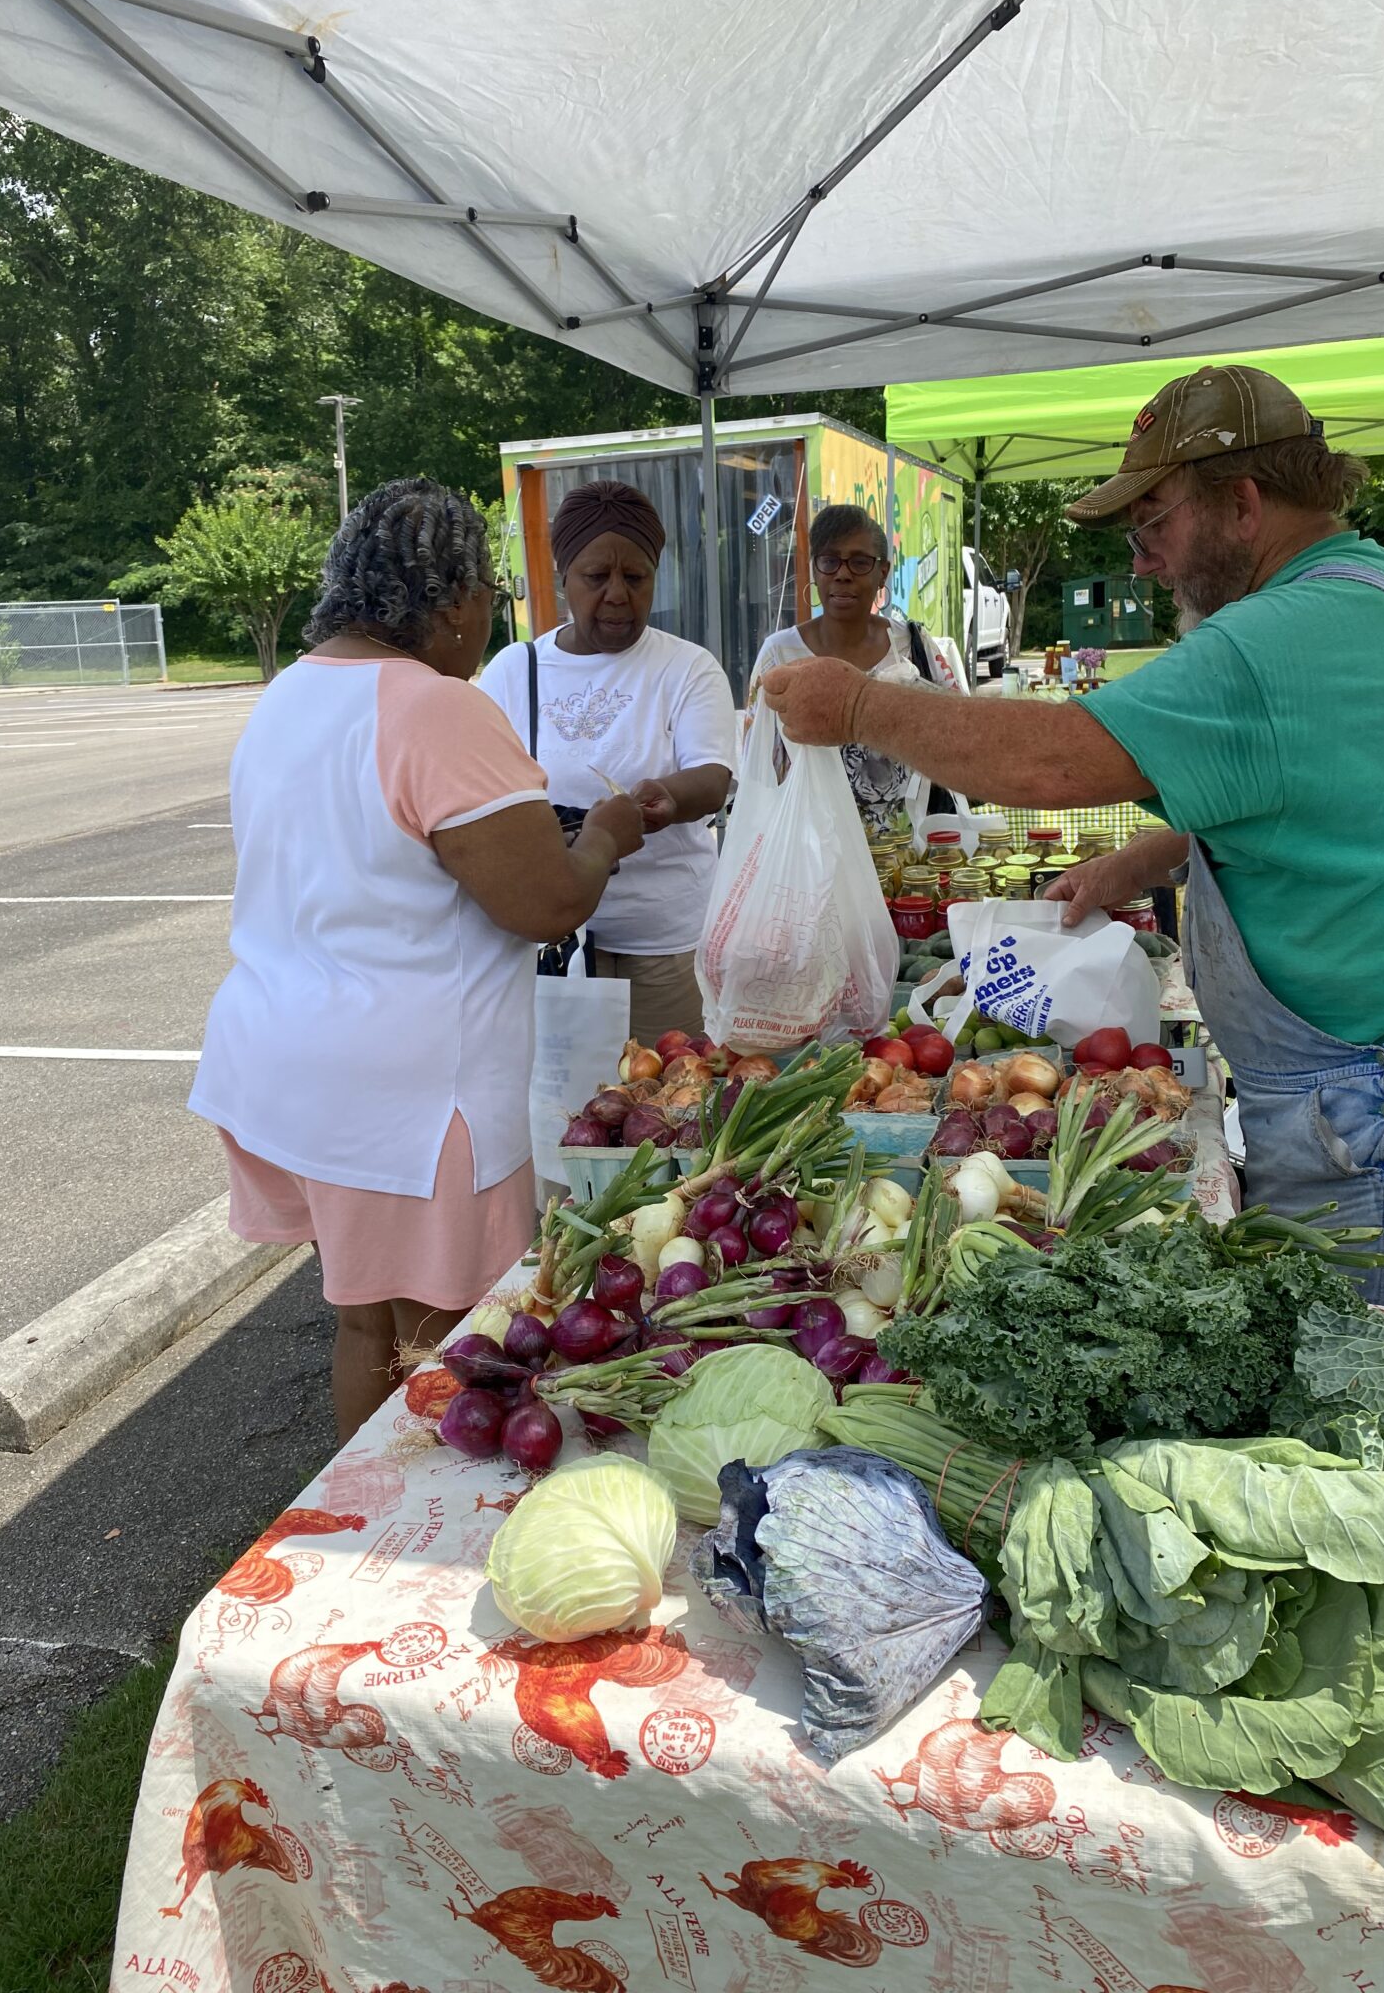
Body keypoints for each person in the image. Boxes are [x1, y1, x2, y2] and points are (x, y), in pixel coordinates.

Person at [760, 365, 1384, 1311]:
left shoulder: (1277, 638)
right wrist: (1154, 853)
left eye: (1155, 524)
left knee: (1382, 1402)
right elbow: (1345, 795)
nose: (1143, 560)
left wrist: (860, 701)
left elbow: (1056, 762)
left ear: (1241, 503)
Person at [189, 479, 644, 1441]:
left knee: (367, 1318)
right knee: (459, 1342)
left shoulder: (289, 696)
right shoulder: (436, 708)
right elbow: (547, 901)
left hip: (284, 1063)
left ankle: (366, 1505)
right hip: (412, 1097)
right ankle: (420, 1537)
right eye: (489, 598)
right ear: (454, 603)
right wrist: (604, 831)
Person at [478, 480, 736, 1045]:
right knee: (566, 1108)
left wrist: (669, 798)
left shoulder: (687, 668)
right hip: (548, 941)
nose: (617, 594)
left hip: (663, 939)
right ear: (563, 577)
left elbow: (713, 776)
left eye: (635, 577)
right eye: (596, 577)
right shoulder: (512, 671)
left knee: (673, 1101)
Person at [748, 503, 963, 829]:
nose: (843, 573)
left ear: (883, 573)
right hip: (811, 862)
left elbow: (960, 731)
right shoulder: (779, 655)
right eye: (829, 561)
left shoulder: (912, 645)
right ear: (814, 569)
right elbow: (758, 765)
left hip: (905, 859)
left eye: (860, 562)